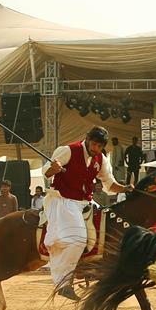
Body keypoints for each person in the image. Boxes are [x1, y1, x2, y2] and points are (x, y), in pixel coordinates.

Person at [43, 126, 132, 300]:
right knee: (78, 239)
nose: (95, 149)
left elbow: (109, 185)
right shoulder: (68, 150)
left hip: (84, 201)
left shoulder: (101, 159)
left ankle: (90, 268)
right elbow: (46, 171)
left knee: (104, 227)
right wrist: (54, 168)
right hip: (63, 200)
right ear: (87, 139)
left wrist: (125, 189)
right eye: (94, 144)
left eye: (100, 146)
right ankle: (63, 283)